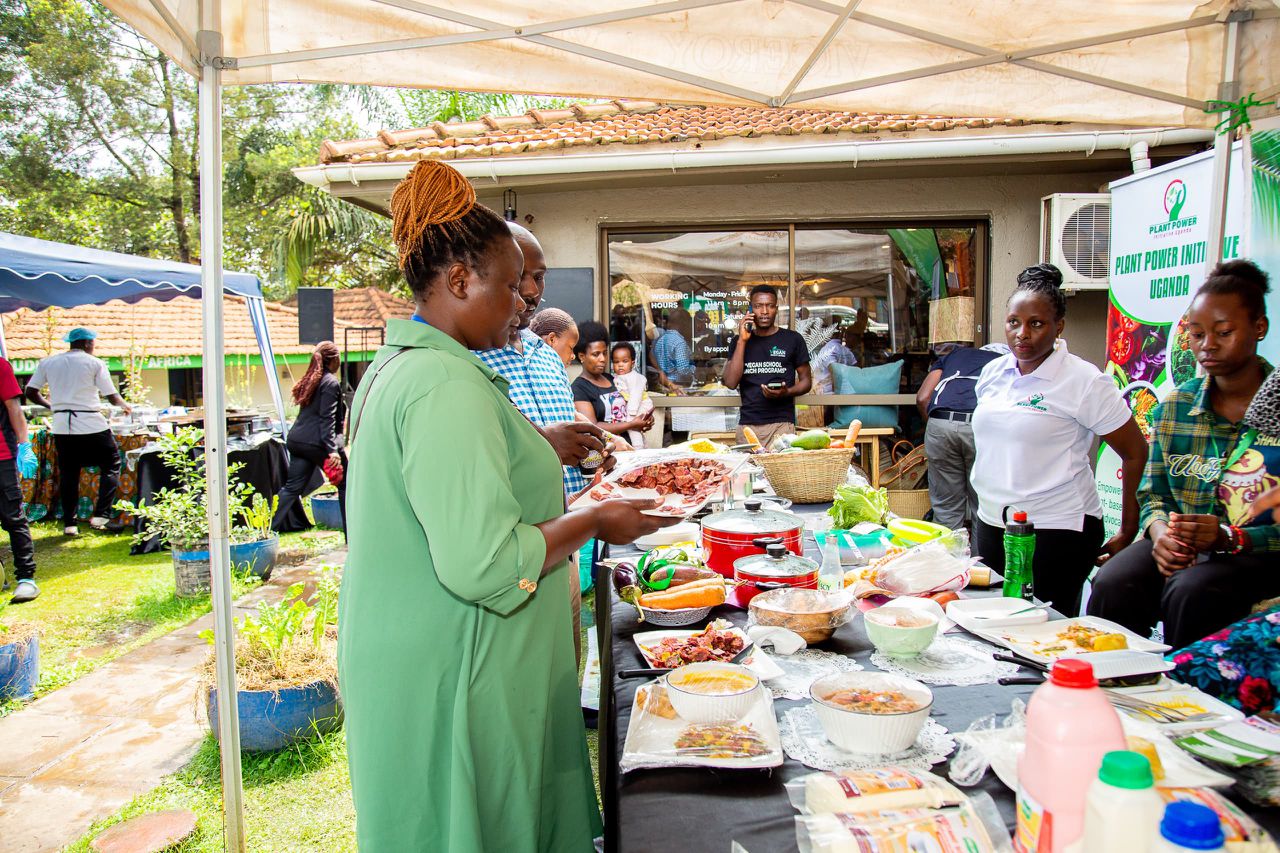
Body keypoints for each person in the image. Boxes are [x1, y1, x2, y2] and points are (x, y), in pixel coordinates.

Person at [338, 159, 674, 851]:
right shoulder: (444, 383)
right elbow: (487, 562)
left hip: (427, 653)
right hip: (459, 665)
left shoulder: (407, 367)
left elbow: (453, 478)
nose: (523, 303)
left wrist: (542, 449)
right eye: (511, 285)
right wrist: (595, 520)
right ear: (461, 280)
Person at [1088, 261, 1280, 649]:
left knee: (1191, 590)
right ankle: (1116, 678)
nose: (1207, 345)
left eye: (1223, 332)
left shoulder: (1273, 406)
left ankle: (1186, 684)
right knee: (1112, 582)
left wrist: (1228, 537)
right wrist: (1160, 534)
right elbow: (1153, 493)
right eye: (1196, 333)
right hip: (1184, 545)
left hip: (1259, 552)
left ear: (1259, 327)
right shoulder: (1176, 407)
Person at [970, 264, 1147, 617]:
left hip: (1057, 529)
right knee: (991, 622)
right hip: (991, 522)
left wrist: (1129, 529)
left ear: (1059, 326)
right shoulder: (993, 373)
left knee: (1045, 629)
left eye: (1036, 323)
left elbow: (1135, 452)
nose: (1022, 334)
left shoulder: (1084, 381)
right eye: (1013, 322)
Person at [476, 223, 607, 503]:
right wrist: (544, 445)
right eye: (517, 277)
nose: (531, 290)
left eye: (539, 277)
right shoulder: (470, 362)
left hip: (579, 519)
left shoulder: (547, 355)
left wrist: (597, 452)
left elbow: (566, 427)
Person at [25, 327, 131, 536]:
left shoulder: (48, 362)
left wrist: (52, 406)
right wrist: (126, 406)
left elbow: (30, 391)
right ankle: (101, 515)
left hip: (62, 426)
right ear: (87, 343)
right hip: (91, 423)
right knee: (111, 464)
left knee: (69, 473)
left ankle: (70, 524)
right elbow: (111, 396)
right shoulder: (94, 363)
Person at [915, 343, 1001, 529]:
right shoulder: (1006, 363)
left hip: (941, 422)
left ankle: (949, 548)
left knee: (946, 510)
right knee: (983, 509)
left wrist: (937, 427)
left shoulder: (953, 356)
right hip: (980, 426)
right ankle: (979, 549)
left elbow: (923, 398)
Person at [723, 284, 813, 446]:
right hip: (748, 426)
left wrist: (786, 392)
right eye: (758, 306)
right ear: (751, 310)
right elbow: (730, 382)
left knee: (783, 464)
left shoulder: (793, 339)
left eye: (770, 306)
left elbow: (806, 381)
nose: (764, 311)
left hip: (782, 424)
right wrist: (742, 340)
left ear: (776, 309)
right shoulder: (738, 342)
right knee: (748, 464)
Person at [272, 341, 346, 535]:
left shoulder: (313, 379)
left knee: (291, 489)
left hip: (298, 440)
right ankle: (352, 536)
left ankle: (267, 531)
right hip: (318, 443)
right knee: (345, 484)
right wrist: (332, 450)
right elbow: (327, 418)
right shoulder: (330, 382)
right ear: (334, 360)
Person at [573, 321, 654, 440]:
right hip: (608, 449)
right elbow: (593, 426)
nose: (602, 359)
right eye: (596, 354)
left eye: (605, 353)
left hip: (631, 445)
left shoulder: (613, 379)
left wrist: (644, 420)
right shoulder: (579, 388)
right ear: (582, 356)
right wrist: (632, 424)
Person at [0, 355, 38, 602]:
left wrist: (24, 445)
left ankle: (26, 579)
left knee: (13, 518)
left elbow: (14, 408)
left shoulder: (0, 367)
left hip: (1, 456)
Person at [611, 342, 655, 448]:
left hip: (640, 406)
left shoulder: (634, 377)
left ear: (632, 363)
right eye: (616, 362)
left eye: (625, 361)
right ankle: (645, 448)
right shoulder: (618, 377)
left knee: (633, 429)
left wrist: (631, 414)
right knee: (637, 430)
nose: (620, 365)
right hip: (633, 406)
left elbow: (636, 394)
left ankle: (638, 448)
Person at [648, 309, 694, 392]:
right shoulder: (679, 342)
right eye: (688, 324)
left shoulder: (660, 340)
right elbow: (683, 370)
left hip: (664, 385)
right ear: (683, 324)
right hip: (678, 386)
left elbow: (653, 358)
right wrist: (695, 371)